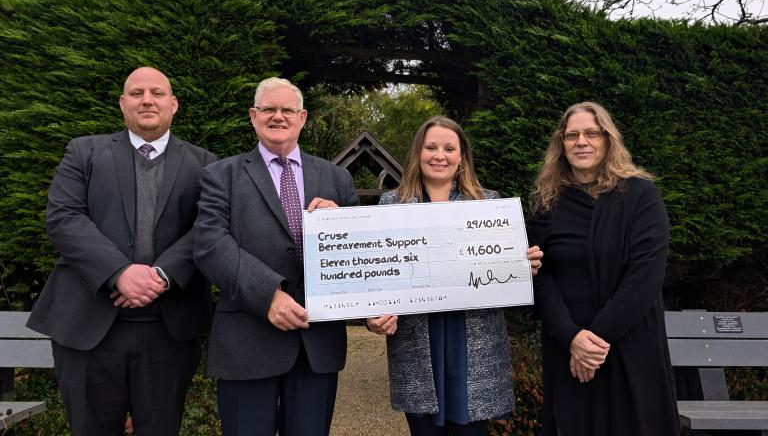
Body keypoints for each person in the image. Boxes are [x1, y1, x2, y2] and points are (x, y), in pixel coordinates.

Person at [26, 67, 216, 435]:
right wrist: (119, 272)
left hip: (168, 331)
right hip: (87, 327)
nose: (147, 100)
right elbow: (63, 217)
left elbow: (208, 227)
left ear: (173, 105)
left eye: (157, 93)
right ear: (122, 103)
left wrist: (162, 275)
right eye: (137, 92)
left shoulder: (206, 164)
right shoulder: (84, 151)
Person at [193, 77, 359, 436]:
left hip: (317, 345)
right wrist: (267, 294)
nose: (278, 116)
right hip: (246, 342)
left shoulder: (337, 179)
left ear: (302, 118)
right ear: (253, 116)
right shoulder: (221, 175)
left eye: (287, 110)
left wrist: (341, 224)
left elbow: (359, 255)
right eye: (269, 109)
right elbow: (209, 244)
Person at [367, 116, 543, 436]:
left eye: (449, 148)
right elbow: (379, 278)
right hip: (418, 343)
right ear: (417, 152)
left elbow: (504, 271)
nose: (439, 155)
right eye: (431, 147)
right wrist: (374, 317)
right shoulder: (391, 203)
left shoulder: (488, 203)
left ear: (462, 156)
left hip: (471, 343)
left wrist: (522, 266)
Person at [529, 101, 680, 436]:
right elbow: (540, 276)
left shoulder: (641, 195)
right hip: (568, 345)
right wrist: (571, 337)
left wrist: (593, 343)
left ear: (608, 140)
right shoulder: (548, 203)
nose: (581, 141)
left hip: (629, 344)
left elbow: (645, 276)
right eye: (572, 135)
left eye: (591, 133)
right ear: (561, 145)